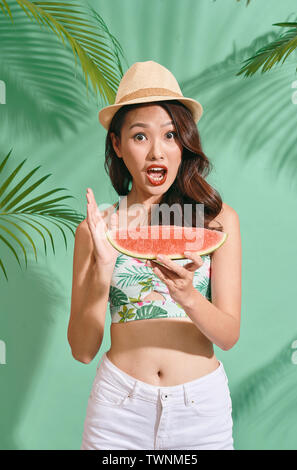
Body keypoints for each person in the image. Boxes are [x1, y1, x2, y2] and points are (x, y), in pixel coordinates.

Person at [68, 61, 242, 450]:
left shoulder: (217, 221)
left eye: (170, 135)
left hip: (200, 410)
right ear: (117, 144)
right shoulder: (95, 230)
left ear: (185, 142)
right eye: (140, 137)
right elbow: (82, 350)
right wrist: (102, 272)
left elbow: (228, 336)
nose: (157, 151)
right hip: (118, 411)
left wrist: (188, 296)